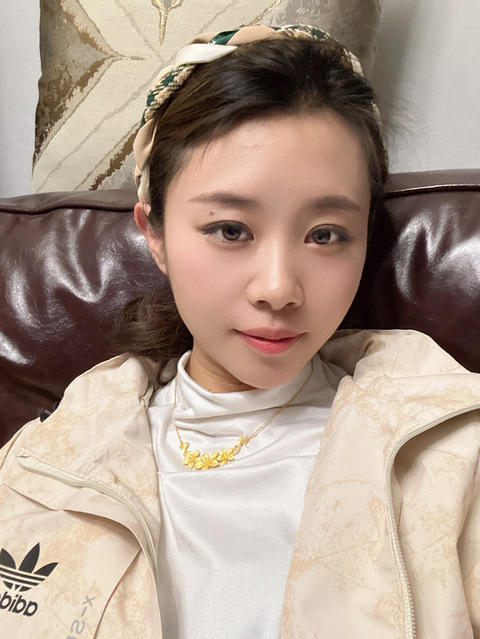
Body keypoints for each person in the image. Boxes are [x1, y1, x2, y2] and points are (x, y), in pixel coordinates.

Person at [0, 24, 479, 639]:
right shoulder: (38, 467)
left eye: (326, 234)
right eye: (230, 230)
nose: (278, 289)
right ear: (154, 233)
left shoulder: (453, 457)